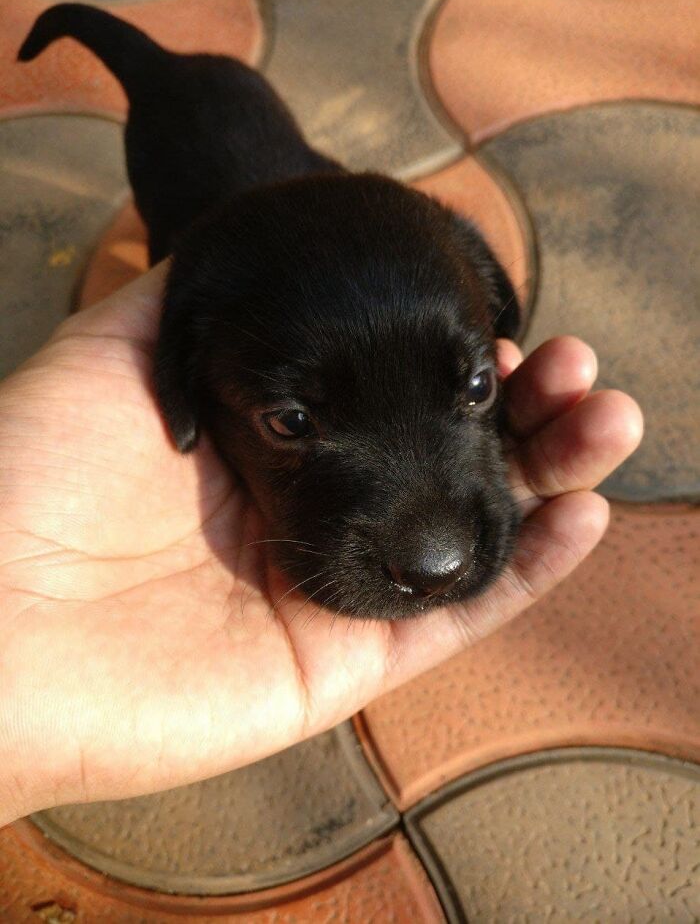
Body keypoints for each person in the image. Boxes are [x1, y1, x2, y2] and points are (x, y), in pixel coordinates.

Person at [0, 265, 643, 827]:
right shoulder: (214, 295)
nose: (437, 555)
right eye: (292, 421)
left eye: (475, 389)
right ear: (177, 376)